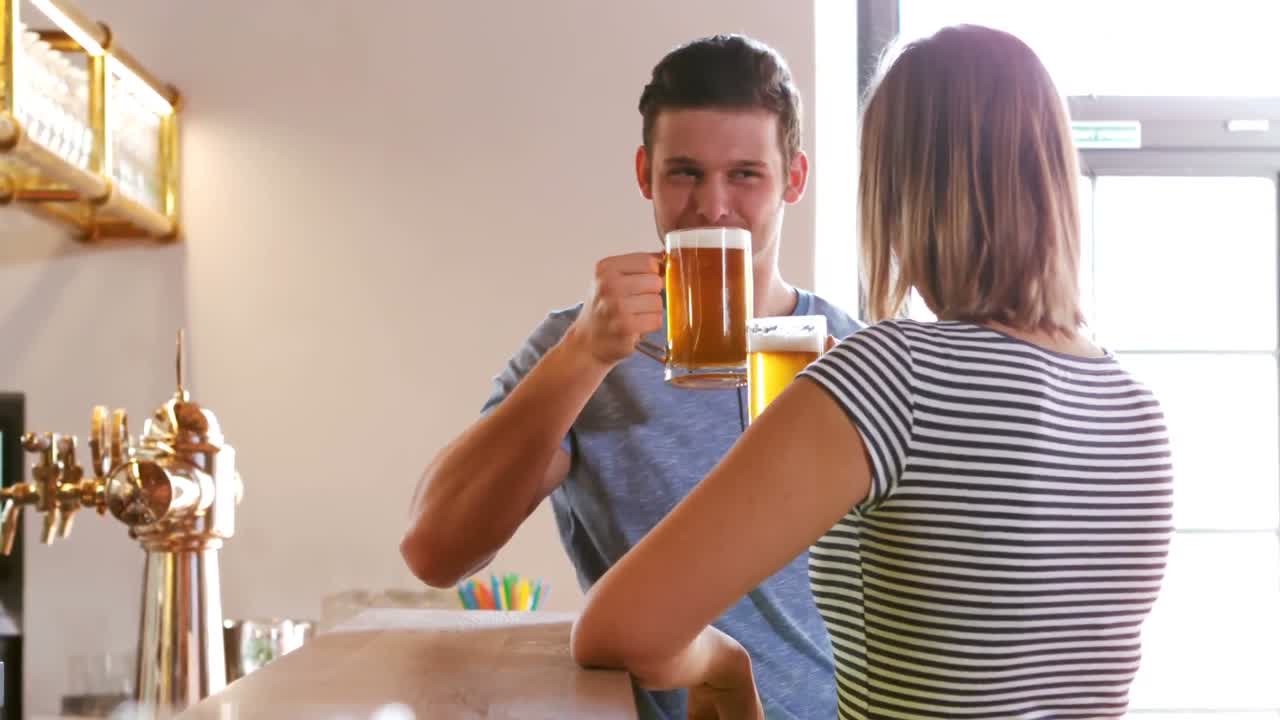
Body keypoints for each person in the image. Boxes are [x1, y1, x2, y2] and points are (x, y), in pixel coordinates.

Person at [571, 24, 1174, 720]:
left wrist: (723, 666)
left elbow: (619, 629)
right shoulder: (1134, 407)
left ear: (898, 186)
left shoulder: (892, 376)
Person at [400, 34, 861, 719]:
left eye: (744, 175)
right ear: (645, 173)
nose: (712, 206)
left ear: (793, 179)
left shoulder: (847, 349)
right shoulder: (581, 344)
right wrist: (583, 354)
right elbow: (434, 551)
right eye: (685, 173)